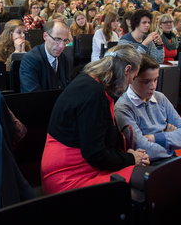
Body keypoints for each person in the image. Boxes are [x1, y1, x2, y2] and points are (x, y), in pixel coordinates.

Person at [40, 44, 150, 195]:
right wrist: (130, 158)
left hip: (77, 166)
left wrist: (126, 155)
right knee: (151, 181)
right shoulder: (93, 93)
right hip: (68, 176)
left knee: (150, 179)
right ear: (127, 70)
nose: (131, 82)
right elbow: (95, 154)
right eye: (133, 77)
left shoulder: (91, 82)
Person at [115, 54, 181, 163]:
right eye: (146, 81)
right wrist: (170, 139)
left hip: (169, 158)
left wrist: (154, 138)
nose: (153, 86)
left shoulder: (160, 97)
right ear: (132, 78)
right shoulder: (123, 107)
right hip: (147, 163)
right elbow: (143, 148)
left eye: (155, 79)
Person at [19, 20, 72, 93]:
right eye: (57, 39)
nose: (62, 46)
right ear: (45, 36)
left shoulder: (64, 58)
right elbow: (31, 95)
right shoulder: (30, 60)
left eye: (65, 41)